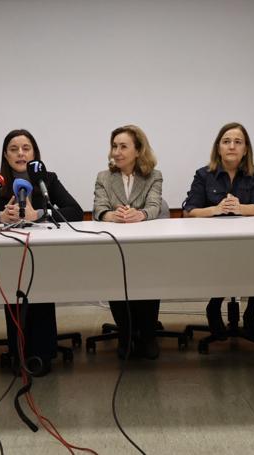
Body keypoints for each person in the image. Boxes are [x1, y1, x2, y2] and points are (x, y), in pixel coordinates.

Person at [0, 129, 83, 375]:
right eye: (14, 149)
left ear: (34, 153)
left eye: (26, 148)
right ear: (5, 154)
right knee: (14, 287)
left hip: (43, 255)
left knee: (39, 287)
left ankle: (42, 355)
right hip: (6, 256)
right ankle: (18, 353)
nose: (20, 153)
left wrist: (40, 215)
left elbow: (74, 210)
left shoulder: (48, 180)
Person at [182, 122, 254, 344]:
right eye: (226, 141)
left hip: (248, 242)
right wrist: (216, 209)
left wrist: (240, 208)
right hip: (214, 244)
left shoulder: (253, 174)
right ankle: (214, 304)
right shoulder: (204, 175)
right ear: (218, 147)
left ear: (245, 149)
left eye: (238, 142)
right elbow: (190, 211)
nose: (232, 146)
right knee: (226, 259)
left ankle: (250, 312)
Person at [93, 124, 163, 359]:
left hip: (145, 246)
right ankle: (125, 333)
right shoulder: (104, 177)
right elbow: (99, 209)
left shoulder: (153, 176)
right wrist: (112, 215)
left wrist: (139, 214)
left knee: (150, 277)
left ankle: (148, 335)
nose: (117, 152)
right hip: (115, 245)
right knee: (116, 278)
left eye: (123, 146)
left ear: (138, 150)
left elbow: (154, 207)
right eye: (114, 146)